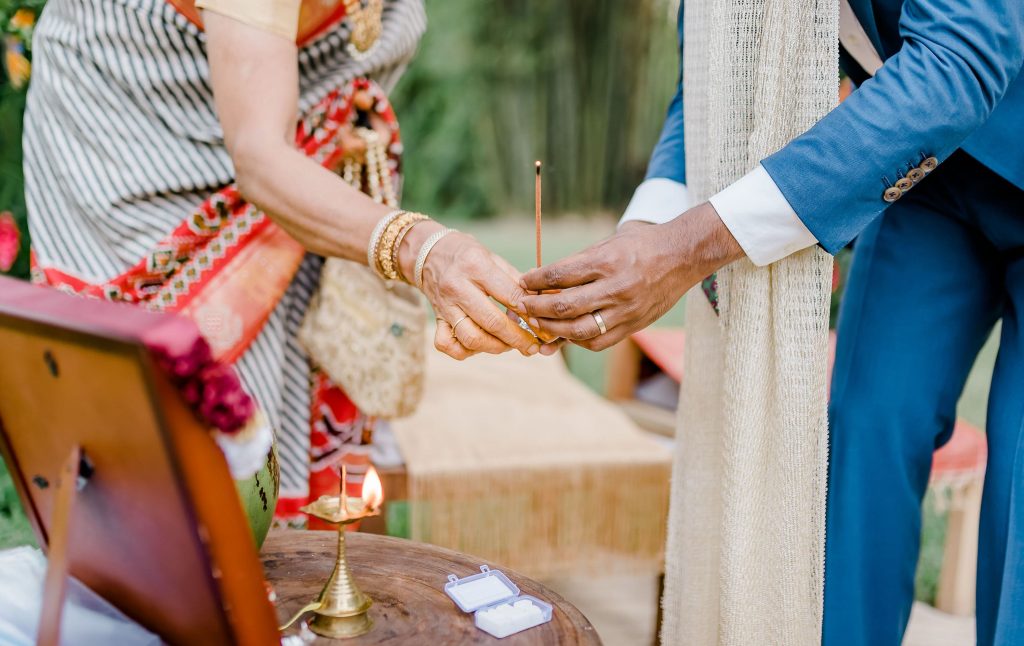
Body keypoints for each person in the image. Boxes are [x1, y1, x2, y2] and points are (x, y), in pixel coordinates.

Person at [515, 1, 1024, 644]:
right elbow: (709, 82)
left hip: (968, 97)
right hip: (935, 184)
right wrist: (646, 232)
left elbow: (958, 60)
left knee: (1018, 494)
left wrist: (689, 247)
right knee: (865, 426)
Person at [25, 0, 538, 523]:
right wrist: (418, 248)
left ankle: (303, 558)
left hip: (299, 141)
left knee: (294, 380)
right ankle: (195, 573)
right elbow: (261, 155)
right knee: (199, 427)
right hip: (139, 129)